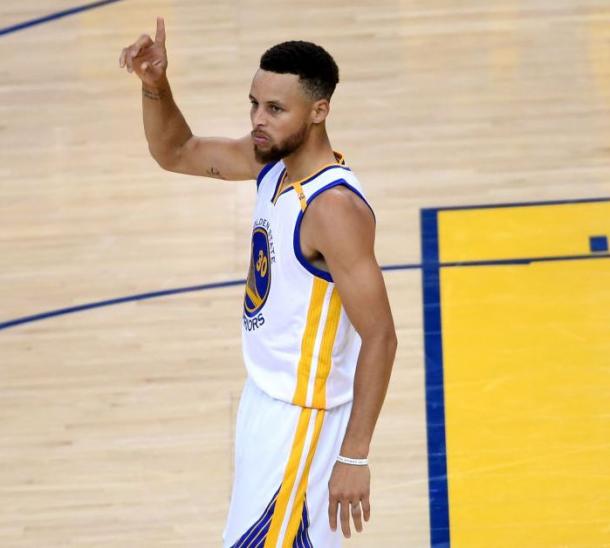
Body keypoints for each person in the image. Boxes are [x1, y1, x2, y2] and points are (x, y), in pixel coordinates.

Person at [119, 17, 397, 547]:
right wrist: (155, 85)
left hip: (303, 421)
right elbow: (176, 152)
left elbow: (381, 337)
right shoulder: (272, 163)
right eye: (254, 104)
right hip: (266, 400)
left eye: (274, 109)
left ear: (320, 111)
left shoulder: (332, 208)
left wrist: (354, 455)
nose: (258, 119)